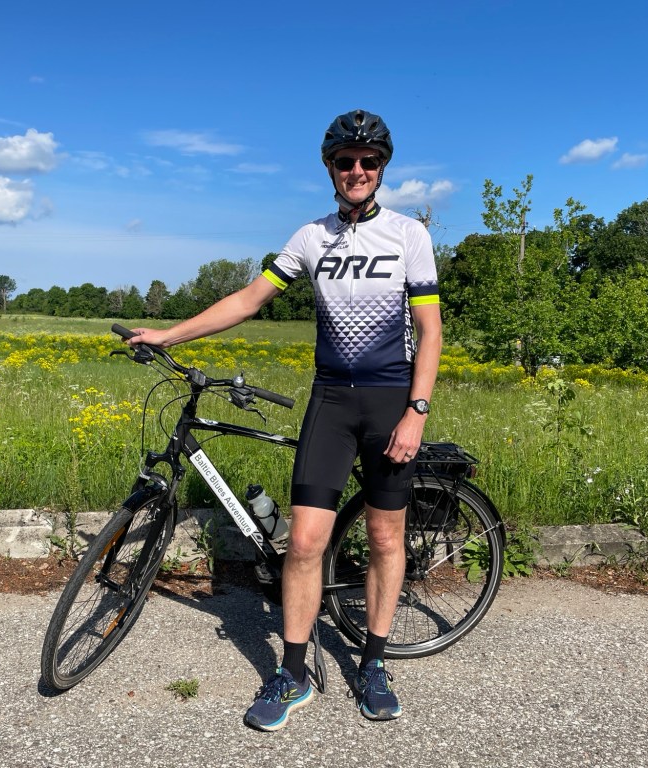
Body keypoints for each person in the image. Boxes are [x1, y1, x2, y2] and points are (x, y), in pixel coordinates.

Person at [126, 109, 442, 731]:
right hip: (332, 401)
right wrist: (169, 335)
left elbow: (429, 330)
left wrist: (416, 412)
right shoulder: (311, 238)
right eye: (346, 161)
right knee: (303, 542)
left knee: (385, 538)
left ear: (382, 168)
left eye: (368, 161)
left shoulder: (409, 235)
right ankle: (293, 673)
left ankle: (373, 663)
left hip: (390, 402)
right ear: (330, 168)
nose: (357, 170)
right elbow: (249, 300)